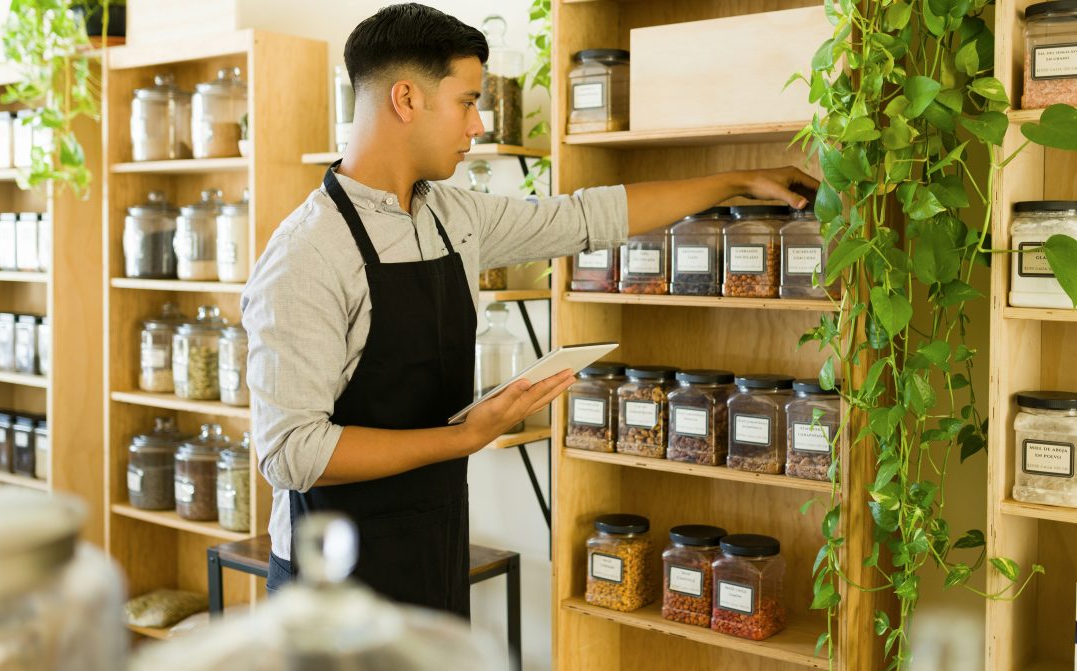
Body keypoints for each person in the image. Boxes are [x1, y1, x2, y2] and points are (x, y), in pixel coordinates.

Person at [242, 2, 818, 617]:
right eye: (467, 102)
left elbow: (582, 219)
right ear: (406, 99)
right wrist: (464, 437)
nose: (478, 125)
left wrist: (737, 181)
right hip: (328, 588)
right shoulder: (307, 253)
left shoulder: (450, 215)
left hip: (433, 550)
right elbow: (293, 453)